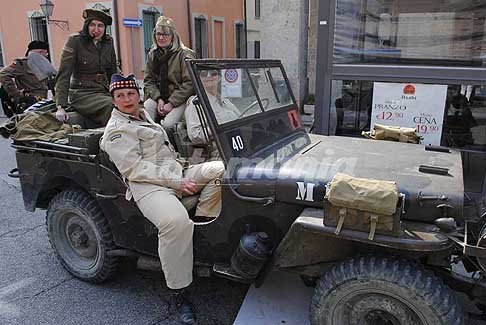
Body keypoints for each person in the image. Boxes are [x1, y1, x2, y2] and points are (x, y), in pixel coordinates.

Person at [100, 74, 224, 325]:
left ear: (138, 95)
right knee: (175, 222)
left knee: (223, 171)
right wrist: (175, 182)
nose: (127, 99)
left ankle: (201, 225)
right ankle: (180, 293)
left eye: (131, 94)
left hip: (176, 173)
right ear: (113, 100)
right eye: (120, 96)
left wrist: (180, 175)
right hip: (148, 187)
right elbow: (134, 169)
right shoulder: (116, 130)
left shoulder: (144, 117)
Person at [54, 9, 117, 126]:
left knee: (129, 104)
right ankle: (112, 139)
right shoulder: (75, 41)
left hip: (102, 90)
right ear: (87, 26)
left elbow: (112, 71)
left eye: (100, 26)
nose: (96, 30)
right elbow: (64, 75)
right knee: (111, 106)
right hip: (81, 93)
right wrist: (60, 106)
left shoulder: (108, 41)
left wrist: (119, 92)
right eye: (92, 25)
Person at [143, 16, 196, 131]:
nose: (161, 37)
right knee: (146, 113)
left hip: (180, 98)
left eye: (165, 34)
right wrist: (158, 99)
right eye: (158, 34)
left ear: (173, 36)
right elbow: (148, 80)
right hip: (160, 96)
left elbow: (190, 83)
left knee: (168, 125)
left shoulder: (185, 54)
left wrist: (171, 103)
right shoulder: (153, 54)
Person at [185, 70, 241, 144]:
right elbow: (194, 136)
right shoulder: (196, 104)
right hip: (218, 147)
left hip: (237, 141)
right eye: (204, 74)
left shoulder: (226, 101)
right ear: (199, 79)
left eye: (213, 73)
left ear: (219, 78)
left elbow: (240, 117)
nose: (208, 76)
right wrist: (217, 129)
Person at [0, 40, 54, 110]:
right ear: (40, 52)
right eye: (46, 53)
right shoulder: (22, 64)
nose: (46, 56)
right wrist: (17, 94)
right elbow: (3, 74)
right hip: (28, 104)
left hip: (41, 102)